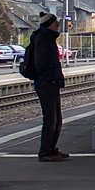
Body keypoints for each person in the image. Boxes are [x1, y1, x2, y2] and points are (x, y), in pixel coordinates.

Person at [30, 14, 68, 161]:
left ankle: (51, 149)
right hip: (46, 84)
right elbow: (42, 63)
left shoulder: (46, 38)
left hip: (49, 83)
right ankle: (46, 151)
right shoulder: (44, 39)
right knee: (51, 119)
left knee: (56, 118)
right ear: (50, 24)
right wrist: (50, 80)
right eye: (56, 22)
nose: (58, 24)